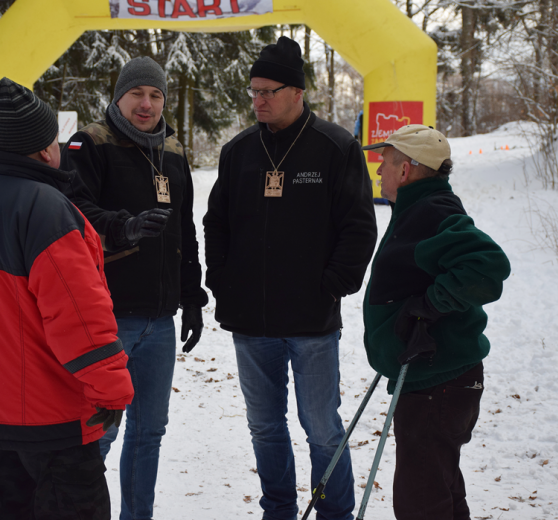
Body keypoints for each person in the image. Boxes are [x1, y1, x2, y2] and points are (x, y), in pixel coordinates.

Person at [0, 77, 134, 520]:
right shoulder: (48, 209)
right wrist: (112, 393)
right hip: (53, 423)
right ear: (44, 150)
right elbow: (80, 319)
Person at [203, 36, 378, 520]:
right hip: (251, 321)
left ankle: (334, 513)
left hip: (311, 321)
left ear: (297, 92)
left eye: (268, 91)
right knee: (264, 426)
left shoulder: (335, 147)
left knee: (322, 428)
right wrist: (222, 279)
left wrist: (332, 283)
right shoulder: (238, 151)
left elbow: (359, 226)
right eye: (253, 91)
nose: (258, 100)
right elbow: (216, 223)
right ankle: (277, 510)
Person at [62, 56, 208, 520]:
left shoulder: (174, 151)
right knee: (98, 431)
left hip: (159, 321)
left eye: (156, 95)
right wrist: (123, 228)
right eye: (137, 95)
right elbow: (74, 210)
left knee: (150, 432)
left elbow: (183, 230)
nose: (147, 105)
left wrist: (192, 299)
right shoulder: (91, 143)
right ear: (119, 97)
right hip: (107, 315)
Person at [361, 125, 511, 520]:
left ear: (407, 170)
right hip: (434, 379)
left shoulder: (432, 212)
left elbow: (488, 264)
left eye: (386, 161)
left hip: (437, 384)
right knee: (438, 490)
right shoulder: (419, 208)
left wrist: (427, 306)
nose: (379, 170)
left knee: (420, 503)